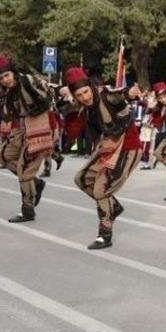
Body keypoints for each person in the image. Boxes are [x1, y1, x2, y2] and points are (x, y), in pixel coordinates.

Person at [61, 67, 143, 249]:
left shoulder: (105, 96)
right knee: (81, 179)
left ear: (91, 86)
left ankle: (104, 234)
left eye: (85, 91)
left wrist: (129, 92)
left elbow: (119, 95)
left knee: (101, 189)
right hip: (107, 146)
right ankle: (113, 206)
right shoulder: (86, 108)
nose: (84, 97)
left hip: (127, 147)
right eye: (79, 94)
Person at [0, 55, 55, 223]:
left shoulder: (28, 80)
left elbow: (50, 93)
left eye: (7, 75)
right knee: (2, 157)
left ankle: (28, 210)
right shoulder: (9, 90)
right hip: (23, 129)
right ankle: (36, 183)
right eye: (1, 77)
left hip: (40, 127)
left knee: (24, 171)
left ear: (14, 73)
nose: (5, 80)